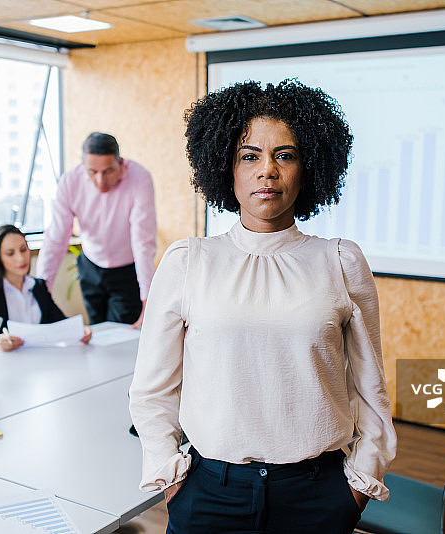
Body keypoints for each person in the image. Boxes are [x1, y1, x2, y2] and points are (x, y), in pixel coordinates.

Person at [129, 80, 397, 534]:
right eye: (249, 155)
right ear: (225, 168)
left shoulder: (340, 261)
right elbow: (152, 390)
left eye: (285, 155)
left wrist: (357, 485)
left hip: (317, 493)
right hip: (209, 491)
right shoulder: (189, 261)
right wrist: (171, 477)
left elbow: (372, 389)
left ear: (307, 167)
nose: (267, 171)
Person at [36, 132, 156, 328]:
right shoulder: (70, 182)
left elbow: (142, 241)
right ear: (83, 166)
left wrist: (148, 302)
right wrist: (40, 292)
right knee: (97, 331)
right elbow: (56, 239)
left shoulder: (140, 178)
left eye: (108, 171)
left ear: (121, 163)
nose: (100, 181)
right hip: (89, 266)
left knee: (120, 335)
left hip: (126, 271)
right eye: (92, 172)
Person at [0, 224, 92, 352]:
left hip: (41, 362)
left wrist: (79, 331)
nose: (20, 258)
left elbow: (60, 324)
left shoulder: (38, 287)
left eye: (23, 250)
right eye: (10, 254)